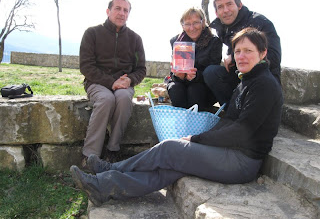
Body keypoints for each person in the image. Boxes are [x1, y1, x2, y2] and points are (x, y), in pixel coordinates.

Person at [70, 27, 283, 207]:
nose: (241, 56)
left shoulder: (264, 85)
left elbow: (242, 132)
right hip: (230, 152)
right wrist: (200, 139)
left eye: (248, 51)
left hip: (242, 162)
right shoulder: (246, 80)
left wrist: (197, 140)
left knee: (170, 148)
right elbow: (228, 122)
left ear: (263, 53)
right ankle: (104, 187)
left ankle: (111, 169)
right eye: (237, 51)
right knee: (170, 168)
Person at [79, 0, 146, 164]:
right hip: (97, 82)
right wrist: (111, 82)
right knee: (106, 99)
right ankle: (90, 155)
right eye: (118, 8)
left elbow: (141, 69)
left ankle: (113, 149)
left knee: (123, 99)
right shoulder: (92, 33)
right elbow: (86, 66)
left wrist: (130, 80)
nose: (121, 13)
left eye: (126, 10)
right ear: (108, 11)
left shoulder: (135, 39)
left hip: (124, 84)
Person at [203, 0, 281, 108]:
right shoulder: (223, 28)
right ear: (216, 12)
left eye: (229, 4)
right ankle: (232, 111)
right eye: (220, 7)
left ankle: (241, 115)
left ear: (239, 5)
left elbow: (274, 58)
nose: (226, 10)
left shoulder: (260, 22)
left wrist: (234, 59)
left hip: (263, 80)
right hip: (239, 76)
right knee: (211, 72)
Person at [167, 7, 222, 111]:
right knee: (175, 88)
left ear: (203, 22)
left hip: (203, 84)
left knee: (195, 90)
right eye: (187, 24)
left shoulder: (214, 42)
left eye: (196, 22)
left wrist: (195, 76)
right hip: (182, 83)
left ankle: (196, 125)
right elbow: (173, 74)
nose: (192, 28)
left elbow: (213, 73)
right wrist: (178, 75)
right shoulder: (176, 41)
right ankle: (180, 125)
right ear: (182, 26)